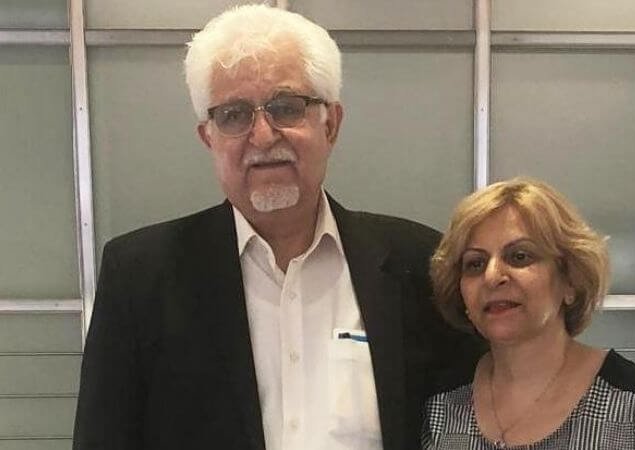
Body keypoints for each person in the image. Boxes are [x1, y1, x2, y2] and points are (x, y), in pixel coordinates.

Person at [72, 5, 480, 450]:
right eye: (234, 115)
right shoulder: (140, 278)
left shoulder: (417, 266)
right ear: (208, 137)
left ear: (331, 124)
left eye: (286, 108)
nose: (263, 136)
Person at [423, 178, 635, 449]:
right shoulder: (444, 402)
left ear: (570, 280)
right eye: (475, 264)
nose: (492, 276)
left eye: (519, 256)